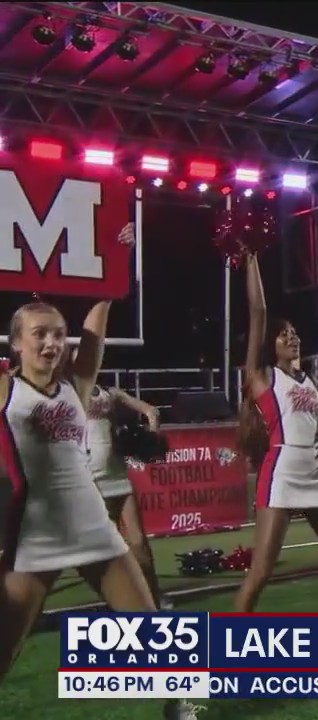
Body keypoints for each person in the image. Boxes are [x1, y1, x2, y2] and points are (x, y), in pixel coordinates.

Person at [0, 225, 200, 719]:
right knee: (4, 649)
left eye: (57, 334)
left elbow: (97, 327)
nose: (51, 343)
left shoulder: (77, 385)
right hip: (35, 533)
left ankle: (179, 707)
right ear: (17, 344)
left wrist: (115, 258)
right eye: (39, 335)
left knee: (150, 627)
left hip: (93, 524)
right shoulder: (6, 388)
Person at [233, 255, 318, 613]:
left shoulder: (312, 381)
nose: (292, 337)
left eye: (295, 333)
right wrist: (253, 259)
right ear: (270, 343)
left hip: (316, 473)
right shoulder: (263, 377)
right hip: (282, 472)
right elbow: (258, 311)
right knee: (261, 572)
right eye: (283, 333)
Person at [84, 380, 170, 608]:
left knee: (139, 541)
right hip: (91, 479)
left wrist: (151, 436)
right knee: (108, 546)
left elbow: (151, 411)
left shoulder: (111, 394)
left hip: (118, 476)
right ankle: (119, 599)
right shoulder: (67, 394)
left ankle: (154, 595)